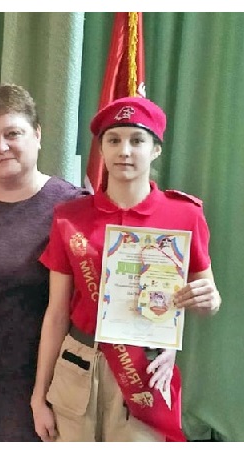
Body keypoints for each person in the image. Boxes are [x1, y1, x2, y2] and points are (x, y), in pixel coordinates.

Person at [31, 96, 222, 442]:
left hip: (144, 368)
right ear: (101, 149)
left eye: (137, 140)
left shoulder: (185, 216)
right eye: (114, 140)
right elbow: (56, 313)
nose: (125, 151)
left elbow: (207, 299)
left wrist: (208, 300)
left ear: (155, 150)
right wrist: (38, 396)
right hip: (78, 365)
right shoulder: (70, 217)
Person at [0, 84, 89, 441]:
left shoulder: (73, 207)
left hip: (45, 384)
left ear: (37, 134)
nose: (0, 146)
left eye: (12, 134)